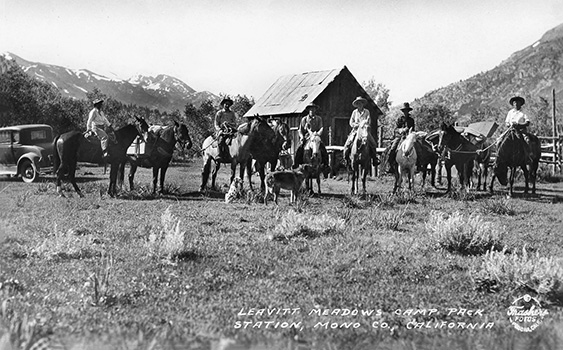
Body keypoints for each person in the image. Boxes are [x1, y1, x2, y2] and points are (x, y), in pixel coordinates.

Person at [343, 96, 379, 167]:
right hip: (356, 131)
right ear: (356, 105)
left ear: (363, 104)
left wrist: (364, 124)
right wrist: (355, 125)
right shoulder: (354, 112)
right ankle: (346, 159)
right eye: (358, 103)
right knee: (347, 143)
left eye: (361, 103)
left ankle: (375, 159)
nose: (359, 105)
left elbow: (369, 121)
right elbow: (351, 122)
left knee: (373, 143)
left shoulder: (367, 112)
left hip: (365, 130)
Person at [293, 102, 329, 172]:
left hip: (316, 136)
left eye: (313, 109)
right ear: (308, 110)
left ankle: (326, 165)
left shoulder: (318, 119)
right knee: (299, 148)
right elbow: (300, 130)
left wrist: (318, 133)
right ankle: (296, 164)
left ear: (315, 110)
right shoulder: (304, 119)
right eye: (311, 109)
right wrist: (301, 137)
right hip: (307, 137)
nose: (312, 110)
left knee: (322, 148)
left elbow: (321, 127)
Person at [385, 102, 416, 173]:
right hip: (399, 137)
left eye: (407, 110)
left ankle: (417, 165)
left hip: (409, 137)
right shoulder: (399, 119)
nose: (406, 112)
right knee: (392, 148)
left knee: (417, 148)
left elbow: (413, 129)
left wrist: (410, 132)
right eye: (405, 110)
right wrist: (401, 130)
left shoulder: (411, 120)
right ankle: (389, 165)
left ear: (408, 111)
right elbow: (395, 129)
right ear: (403, 111)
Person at [214, 97, 237, 162]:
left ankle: (236, 154)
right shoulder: (219, 113)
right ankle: (219, 154)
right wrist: (219, 129)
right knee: (221, 140)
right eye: (226, 104)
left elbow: (235, 123)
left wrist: (229, 124)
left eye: (228, 104)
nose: (227, 105)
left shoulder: (232, 113)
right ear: (223, 104)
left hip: (230, 129)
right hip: (222, 130)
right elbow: (216, 123)